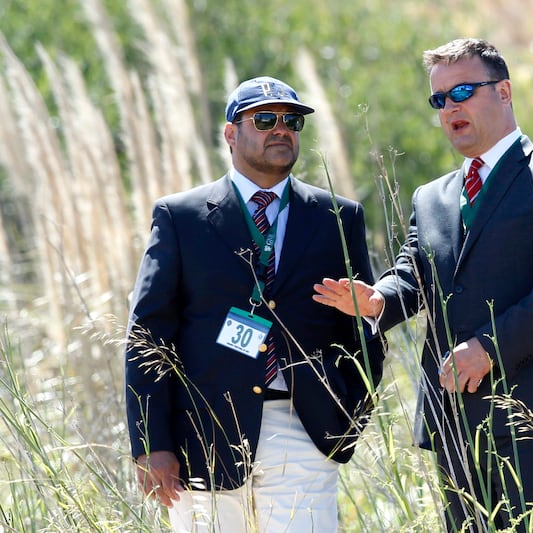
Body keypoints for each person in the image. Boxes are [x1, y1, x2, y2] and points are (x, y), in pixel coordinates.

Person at [313, 38, 533, 532]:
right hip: (454, 418)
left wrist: (488, 348)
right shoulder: (431, 197)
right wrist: (379, 298)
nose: (450, 107)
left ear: (505, 91)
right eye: (439, 99)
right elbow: (414, 273)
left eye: (463, 91)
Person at [125, 75, 384, 532]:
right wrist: (151, 443)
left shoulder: (338, 217)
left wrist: (347, 412)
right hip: (204, 435)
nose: (280, 129)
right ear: (230, 133)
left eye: (291, 121)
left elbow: (363, 326)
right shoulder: (180, 217)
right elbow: (148, 334)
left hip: (303, 428)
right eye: (264, 119)